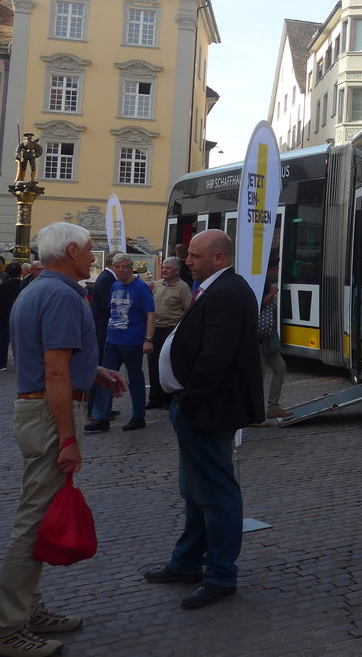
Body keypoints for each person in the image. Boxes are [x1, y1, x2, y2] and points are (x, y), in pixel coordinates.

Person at [0, 223, 126, 657]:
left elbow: (52, 361)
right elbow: (53, 372)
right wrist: (69, 438)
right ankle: (6, 628)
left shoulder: (36, 288)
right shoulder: (64, 295)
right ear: (71, 250)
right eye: (89, 251)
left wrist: (94, 372)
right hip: (49, 415)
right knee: (33, 522)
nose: (93, 257)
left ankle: (28, 610)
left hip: (36, 408)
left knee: (37, 513)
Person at [143, 229, 262, 610]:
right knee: (195, 492)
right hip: (194, 407)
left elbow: (216, 357)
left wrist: (190, 401)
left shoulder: (227, 292)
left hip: (207, 410)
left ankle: (221, 575)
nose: (186, 261)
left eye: (194, 256)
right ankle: (187, 562)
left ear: (219, 259)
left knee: (216, 494)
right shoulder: (213, 288)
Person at [85, 254, 155, 433]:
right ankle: (101, 417)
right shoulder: (115, 285)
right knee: (105, 378)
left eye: (124, 267)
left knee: (135, 379)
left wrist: (148, 339)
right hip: (112, 339)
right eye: (118, 267)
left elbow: (150, 314)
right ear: (113, 268)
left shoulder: (140, 287)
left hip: (132, 341)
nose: (121, 270)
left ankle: (138, 416)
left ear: (130, 268)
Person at [148, 258, 191, 410]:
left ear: (177, 271)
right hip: (155, 328)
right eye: (163, 267)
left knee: (167, 364)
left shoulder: (183, 288)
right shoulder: (158, 284)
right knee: (153, 364)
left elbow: (188, 311)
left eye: (168, 268)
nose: (164, 270)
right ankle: (154, 398)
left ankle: (168, 398)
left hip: (171, 329)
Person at [257, 260, 288, 422]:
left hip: (267, 339)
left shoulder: (264, 281)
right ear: (274, 268)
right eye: (276, 269)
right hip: (258, 340)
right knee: (258, 377)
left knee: (280, 367)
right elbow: (255, 305)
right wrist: (272, 294)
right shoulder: (260, 282)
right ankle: (255, 415)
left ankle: (273, 407)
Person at [0, 263, 23, 371]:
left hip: (3, 317)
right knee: (20, 340)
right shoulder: (23, 285)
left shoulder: (3, 286)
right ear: (20, 273)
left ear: (7, 273)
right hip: (19, 317)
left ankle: (2, 364)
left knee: (2, 341)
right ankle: (20, 362)